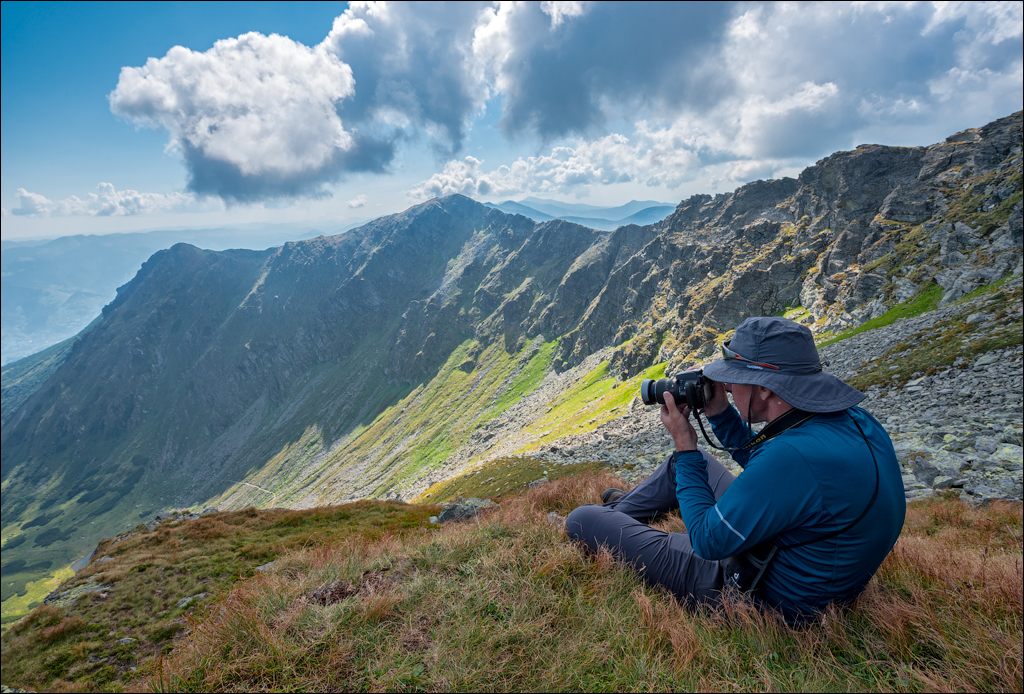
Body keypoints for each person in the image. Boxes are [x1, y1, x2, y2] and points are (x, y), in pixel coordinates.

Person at [564, 316, 906, 623]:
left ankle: (607, 518)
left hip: (759, 595)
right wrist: (720, 413)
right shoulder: (854, 421)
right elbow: (775, 473)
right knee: (689, 468)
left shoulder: (790, 457)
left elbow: (707, 541)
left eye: (734, 380)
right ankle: (620, 513)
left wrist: (685, 445)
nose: (726, 387)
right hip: (814, 558)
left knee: (583, 518)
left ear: (765, 389)